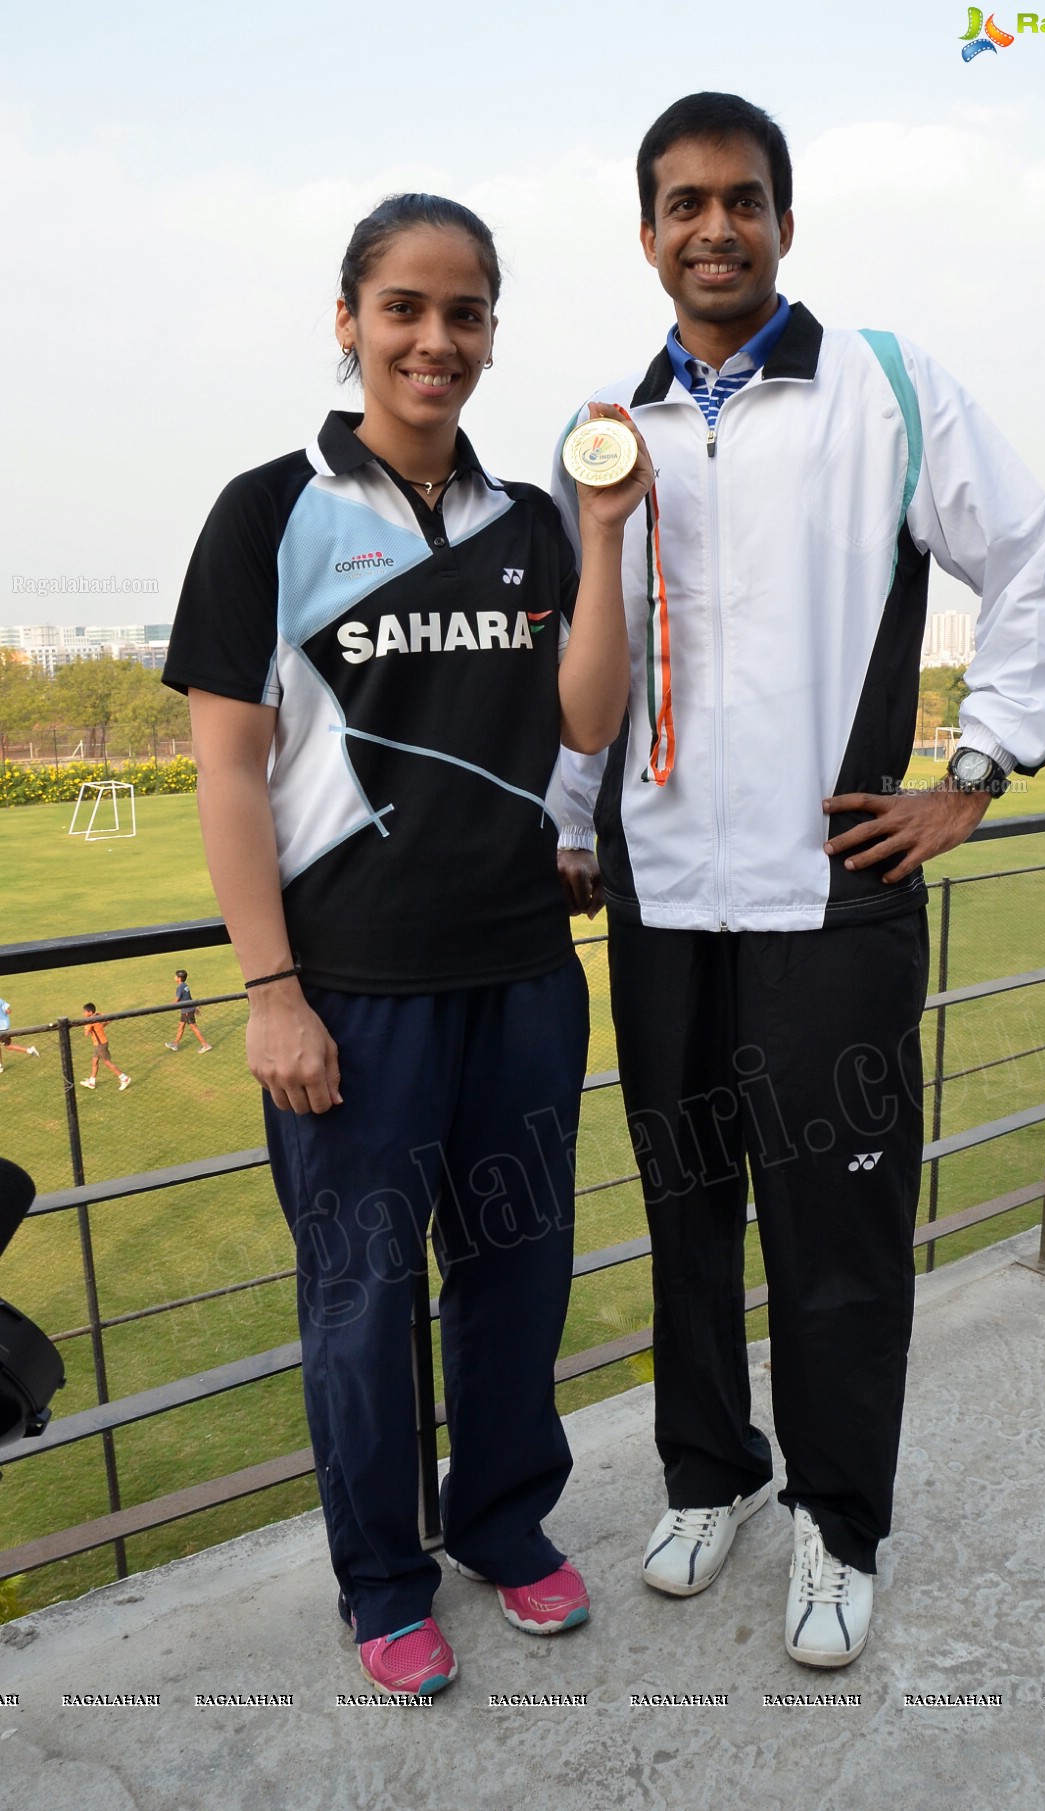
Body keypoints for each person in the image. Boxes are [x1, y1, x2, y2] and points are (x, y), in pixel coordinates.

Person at [552, 93, 1045, 1669]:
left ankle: (839, 1522)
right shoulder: (614, 426)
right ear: (645, 234)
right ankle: (707, 1472)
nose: (710, 227)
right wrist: (570, 820)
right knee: (684, 1209)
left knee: (838, 1234)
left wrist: (970, 776)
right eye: (680, 203)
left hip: (829, 895)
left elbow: (1038, 562)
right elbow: (592, 648)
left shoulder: (884, 385)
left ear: (785, 220)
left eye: (739, 199)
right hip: (661, 904)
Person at [164, 193, 650, 1699]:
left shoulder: (525, 523)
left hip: (516, 975)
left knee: (514, 1271)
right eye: (405, 309)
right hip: (350, 1004)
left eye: (466, 313)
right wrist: (269, 992)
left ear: (491, 332)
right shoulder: (268, 512)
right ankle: (380, 1578)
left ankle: (502, 1525)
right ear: (349, 320)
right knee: (361, 1301)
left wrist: (604, 533)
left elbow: (583, 717)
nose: (434, 340)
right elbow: (228, 771)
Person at [80, 1005, 131, 1091]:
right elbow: (108, 1019)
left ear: (90, 1012)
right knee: (94, 1061)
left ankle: (124, 1078)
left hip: (100, 1045)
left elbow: (86, 1034)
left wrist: (86, 1025)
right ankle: (92, 1082)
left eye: (85, 1012)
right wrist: (101, 1027)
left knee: (107, 1062)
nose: (83, 1013)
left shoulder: (90, 1021)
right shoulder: (99, 1014)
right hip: (100, 1043)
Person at [165, 969, 212, 1052]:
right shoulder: (185, 986)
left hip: (187, 1011)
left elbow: (177, 1000)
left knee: (194, 1027)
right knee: (181, 1026)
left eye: (175, 976)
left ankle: (205, 1045)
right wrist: (195, 1007)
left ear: (179, 978)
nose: (174, 977)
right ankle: (175, 1044)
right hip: (186, 1010)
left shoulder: (180, 987)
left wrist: (167, 1007)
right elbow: (189, 998)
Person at [0, 997, 39, 1072]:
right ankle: (0, 1066)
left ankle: (30, 1050)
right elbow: (9, 1011)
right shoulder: (0, 1000)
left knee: (8, 1046)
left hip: (2, 1029)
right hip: (4, 1027)